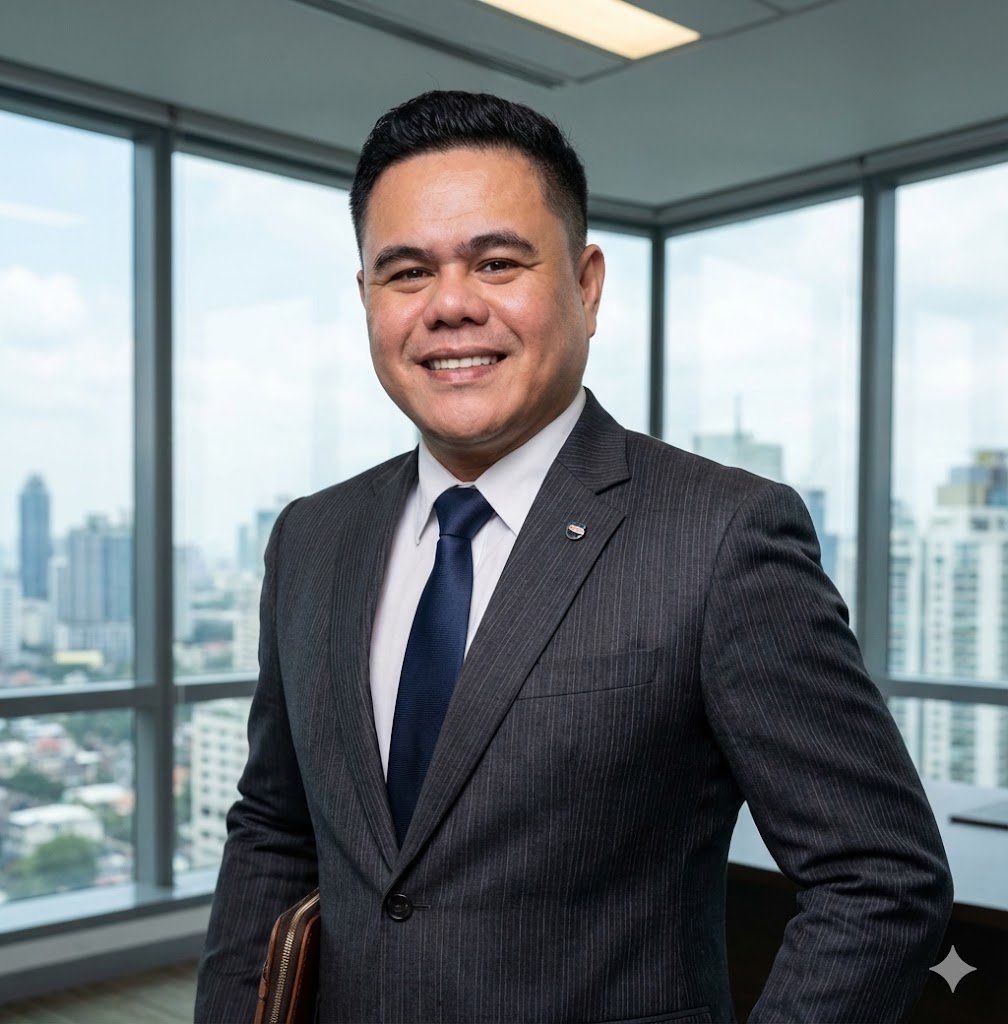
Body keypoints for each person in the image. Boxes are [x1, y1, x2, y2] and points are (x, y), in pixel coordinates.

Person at [195, 90, 952, 1024]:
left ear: (586, 286)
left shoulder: (721, 535)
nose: (450, 305)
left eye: (497, 262)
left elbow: (880, 877)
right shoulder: (312, 539)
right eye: (407, 272)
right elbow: (275, 831)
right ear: (367, 300)